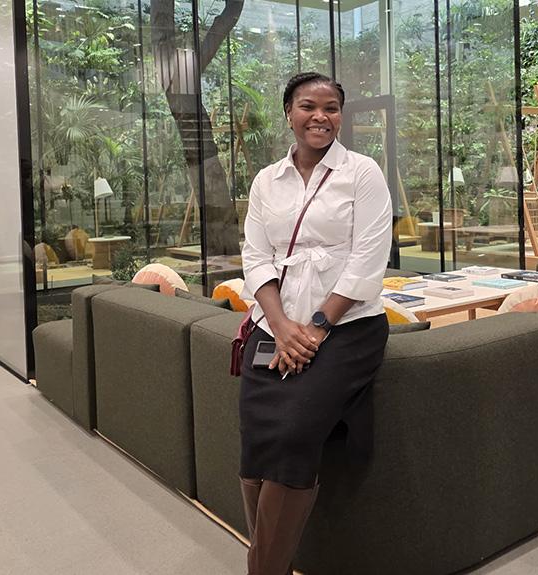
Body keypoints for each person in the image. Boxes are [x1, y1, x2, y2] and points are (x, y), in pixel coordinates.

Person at [239, 71, 393, 575]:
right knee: (257, 442)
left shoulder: (362, 172)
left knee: (293, 434)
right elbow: (255, 257)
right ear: (289, 114)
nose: (320, 117)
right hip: (273, 328)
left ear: (340, 117)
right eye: (308, 106)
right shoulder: (266, 180)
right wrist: (282, 326)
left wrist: (317, 327)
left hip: (347, 330)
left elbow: (368, 260)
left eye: (331, 108)